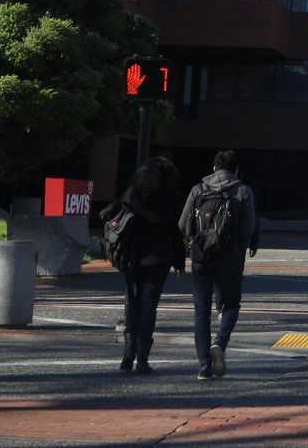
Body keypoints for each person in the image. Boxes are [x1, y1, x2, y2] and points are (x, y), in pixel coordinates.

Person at [179, 149, 260, 380]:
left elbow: (183, 222)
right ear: (235, 170)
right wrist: (243, 248)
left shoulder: (198, 189)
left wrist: (192, 243)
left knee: (201, 310)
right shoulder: (243, 191)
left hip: (201, 255)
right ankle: (219, 343)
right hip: (230, 257)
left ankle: (204, 364)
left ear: (214, 168)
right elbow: (248, 227)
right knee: (231, 304)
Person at [108, 158, 183, 374]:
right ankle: (142, 358)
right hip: (159, 258)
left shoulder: (131, 194)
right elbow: (175, 232)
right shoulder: (168, 198)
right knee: (149, 306)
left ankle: (127, 354)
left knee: (131, 303)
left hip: (132, 256)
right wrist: (179, 260)